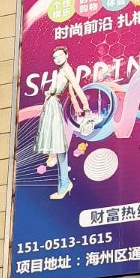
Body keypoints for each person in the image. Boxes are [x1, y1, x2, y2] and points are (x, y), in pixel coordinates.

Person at [35, 46, 89, 201]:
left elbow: (76, 88)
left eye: (60, 55)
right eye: (55, 57)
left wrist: (85, 106)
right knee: (56, 147)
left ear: (67, 55)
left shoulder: (67, 70)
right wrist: (78, 107)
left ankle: (64, 184)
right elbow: (70, 93)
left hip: (53, 107)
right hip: (50, 107)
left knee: (59, 147)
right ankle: (63, 181)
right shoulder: (61, 71)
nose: (57, 59)